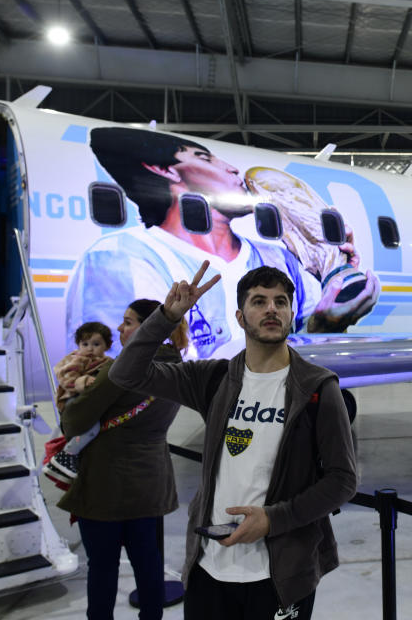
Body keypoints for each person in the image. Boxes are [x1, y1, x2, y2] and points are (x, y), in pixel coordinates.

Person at [108, 264, 357, 620]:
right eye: (259, 301)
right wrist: (166, 318)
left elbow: (342, 480)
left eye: (281, 302)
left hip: (280, 574)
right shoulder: (213, 379)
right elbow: (125, 373)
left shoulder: (317, 388)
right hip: (210, 567)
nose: (271, 309)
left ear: (290, 314)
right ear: (241, 317)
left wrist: (274, 520)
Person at [66, 127, 378, 359]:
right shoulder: (120, 257)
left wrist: (330, 290)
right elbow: (137, 372)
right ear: (162, 169)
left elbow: (303, 339)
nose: (232, 168)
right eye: (204, 158)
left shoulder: (279, 257)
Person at [57, 299, 188, 620]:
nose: (119, 328)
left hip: (105, 487)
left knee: (102, 570)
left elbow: (73, 421)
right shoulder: (176, 366)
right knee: (150, 567)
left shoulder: (121, 369)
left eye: (128, 321)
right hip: (152, 484)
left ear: (148, 327)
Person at [43, 321, 116, 485]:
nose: (90, 348)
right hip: (72, 400)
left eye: (96, 344)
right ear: (78, 345)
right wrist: (81, 381)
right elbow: (65, 379)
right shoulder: (76, 360)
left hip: (88, 401)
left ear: (107, 345)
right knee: (91, 429)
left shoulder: (106, 362)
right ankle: (67, 455)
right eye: (85, 344)